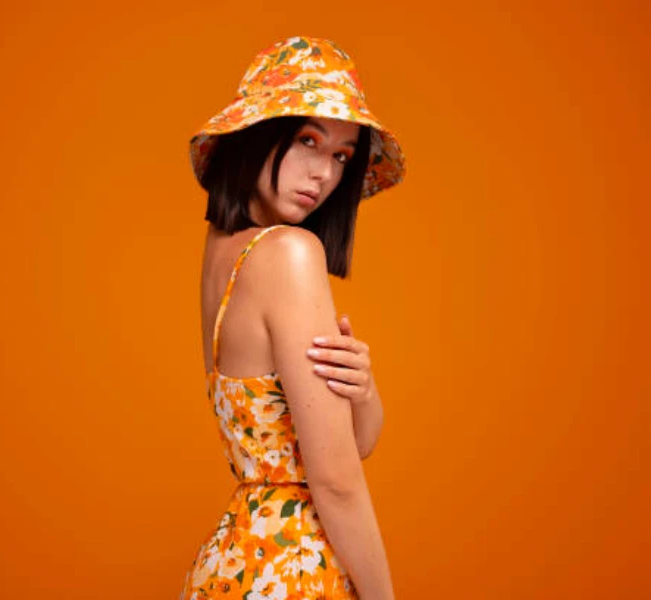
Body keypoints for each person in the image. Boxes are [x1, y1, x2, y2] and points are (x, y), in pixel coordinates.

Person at [181, 36, 406, 599]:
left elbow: (354, 444)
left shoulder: (223, 251)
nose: (325, 174)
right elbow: (335, 482)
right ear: (259, 132)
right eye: (308, 139)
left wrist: (362, 389)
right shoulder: (289, 253)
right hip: (292, 572)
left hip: (235, 563)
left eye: (341, 156)